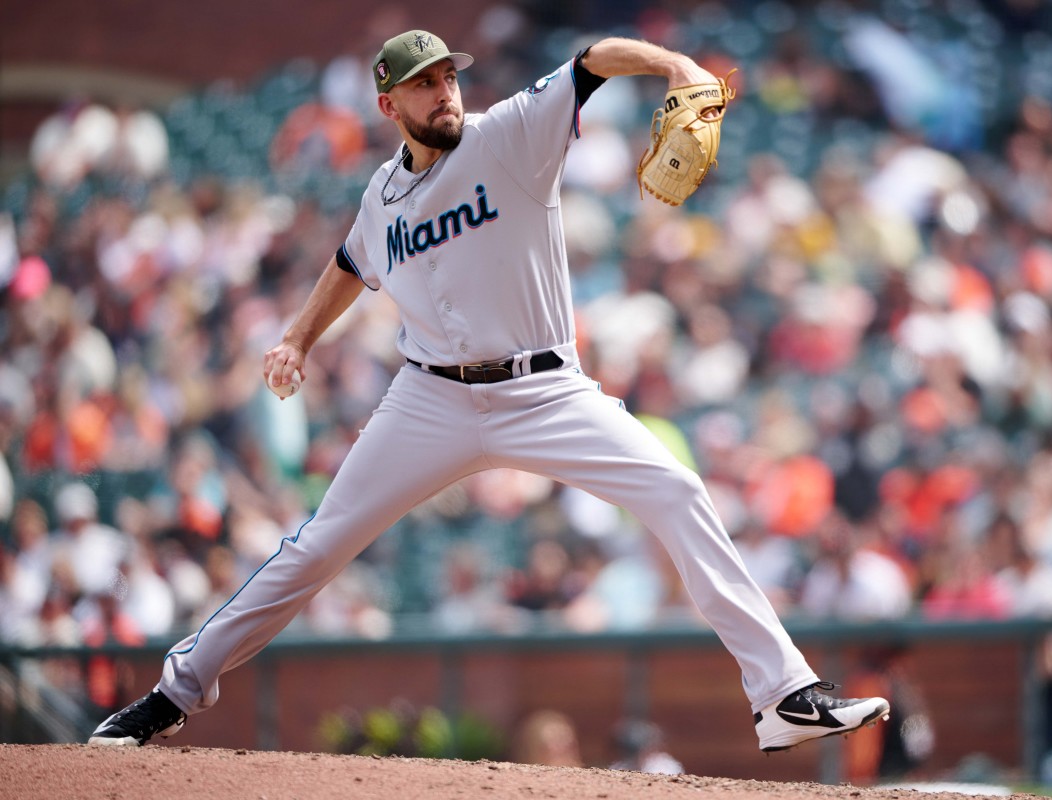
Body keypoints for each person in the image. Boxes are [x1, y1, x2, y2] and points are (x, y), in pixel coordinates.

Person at [87, 29, 889, 753]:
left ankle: (783, 694)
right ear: (389, 105)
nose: (444, 91)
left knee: (677, 490)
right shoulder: (381, 195)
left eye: (449, 76)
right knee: (316, 548)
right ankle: (171, 696)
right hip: (429, 400)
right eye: (424, 83)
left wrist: (675, 64)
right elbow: (350, 262)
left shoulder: (510, 133)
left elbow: (591, 60)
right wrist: (298, 337)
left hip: (545, 391)